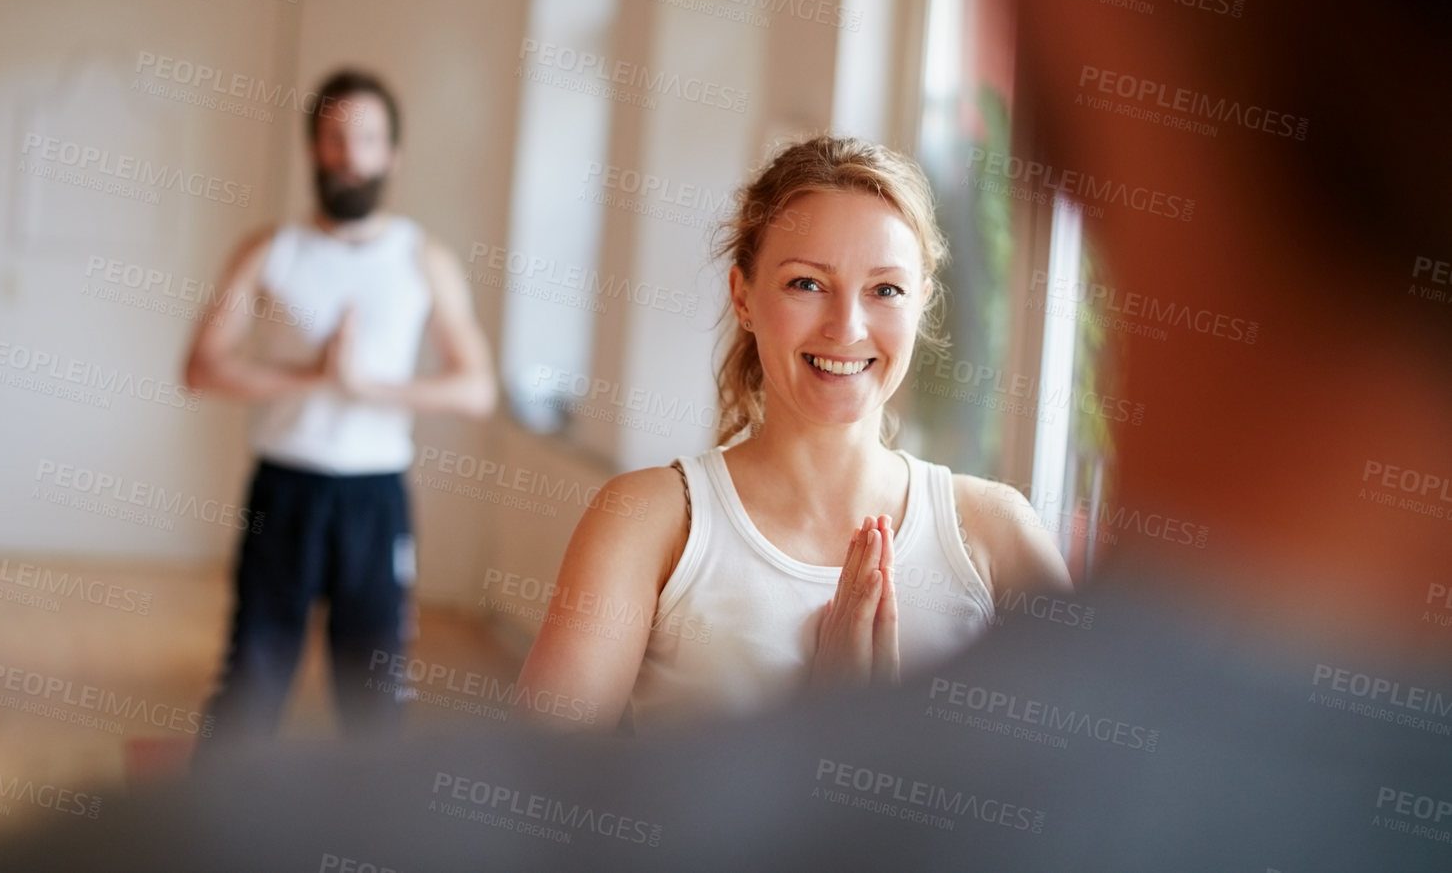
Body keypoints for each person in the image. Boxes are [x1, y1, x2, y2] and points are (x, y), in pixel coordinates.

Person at [516, 136, 1073, 729]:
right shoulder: (648, 522)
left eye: (885, 289)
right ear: (743, 297)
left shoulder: (997, 535)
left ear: (921, 304)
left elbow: (1103, 792)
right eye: (806, 283)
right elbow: (531, 798)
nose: (846, 328)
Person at [183, 69, 496, 744]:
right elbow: (201, 368)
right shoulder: (270, 250)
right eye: (335, 138)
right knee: (252, 683)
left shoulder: (424, 258)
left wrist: (365, 388)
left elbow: (477, 388)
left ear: (392, 155)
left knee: (374, 696)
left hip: (374, 502)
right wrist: (308, 376)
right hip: (284, 491)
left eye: (367, 139)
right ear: (312, 149)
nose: (351, 156)